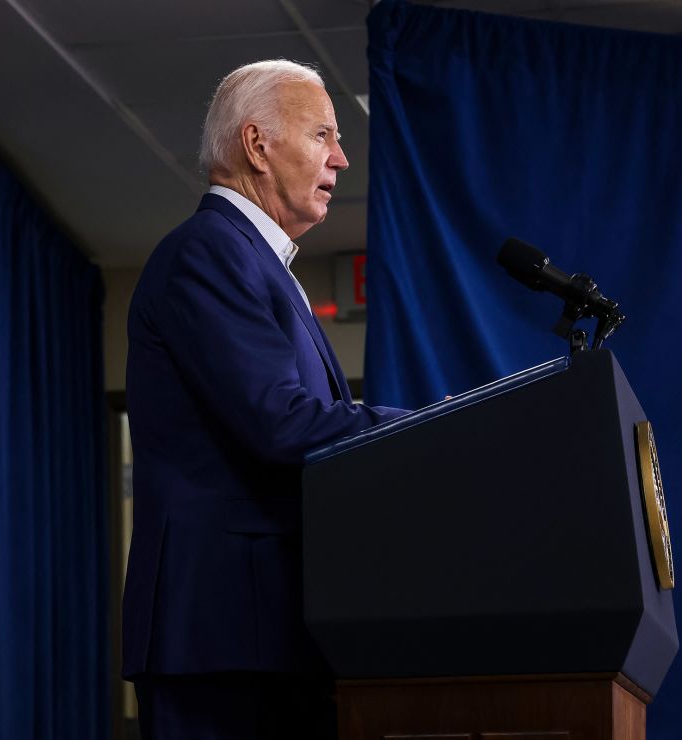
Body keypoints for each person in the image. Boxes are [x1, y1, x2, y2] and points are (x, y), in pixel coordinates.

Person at [121, 60, 409, 740]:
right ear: (257, 145)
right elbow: (279, 423)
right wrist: (426, 427)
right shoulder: (210, 252)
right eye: (322, 135)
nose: (340, 159)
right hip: (222, 632)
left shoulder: (256, 262)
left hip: (265, 629)